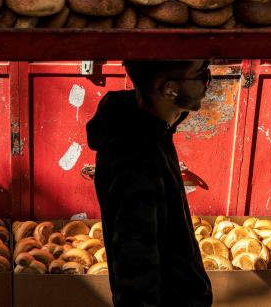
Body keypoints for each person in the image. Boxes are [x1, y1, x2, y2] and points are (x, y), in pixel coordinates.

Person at [86, 60, 213, 307]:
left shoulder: (150, 127)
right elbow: (135, 266)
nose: (206, 84)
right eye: (201, 75)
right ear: (169, 89)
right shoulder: (137, 158)